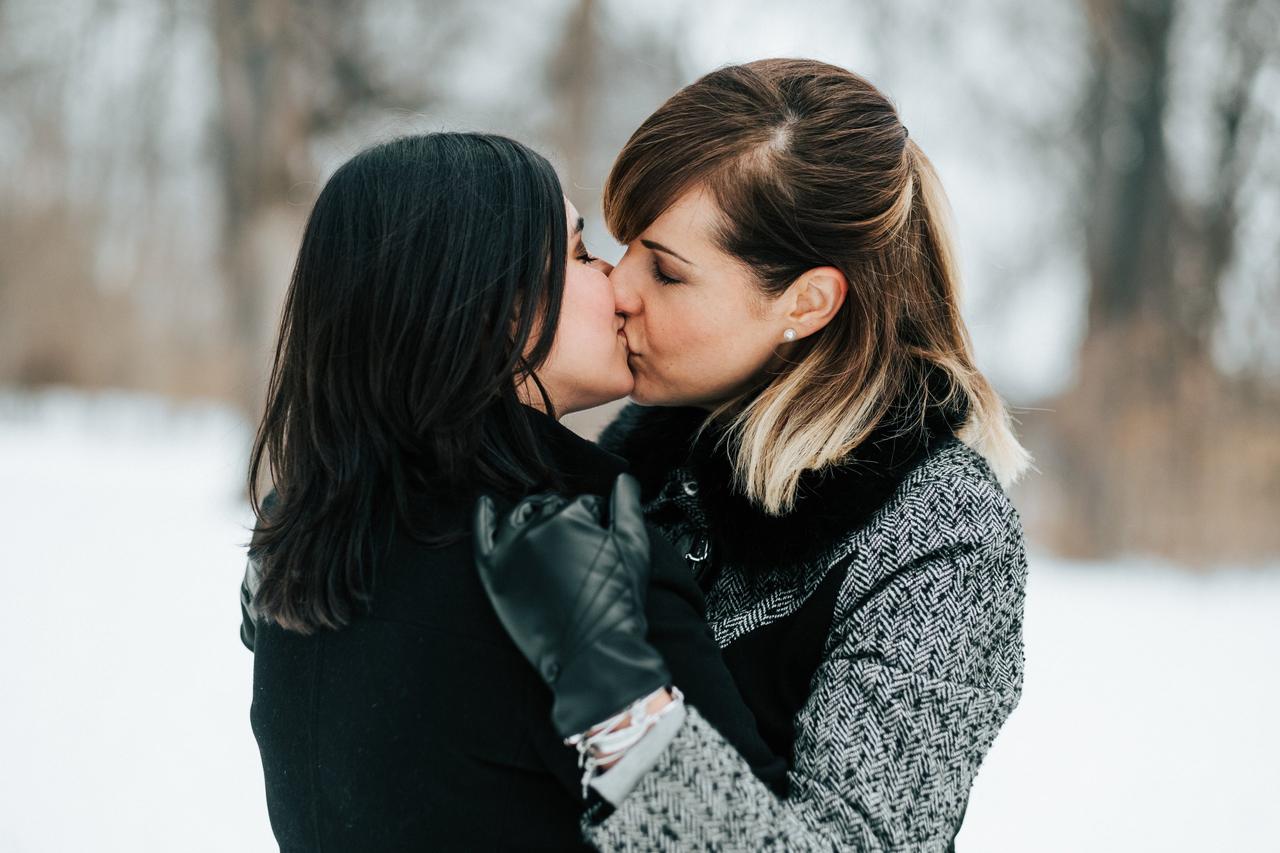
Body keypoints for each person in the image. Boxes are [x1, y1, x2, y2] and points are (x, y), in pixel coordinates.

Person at [474, 59, 1031, 851]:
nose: (616, 285)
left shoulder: (941, 532)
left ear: (806, 301)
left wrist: (624, 709)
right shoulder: (650, 460)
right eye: (624, 244)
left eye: (667, 270)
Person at [238, 132, 786, 852]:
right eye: (582, 253)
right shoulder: (578, 552)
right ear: (498, 306)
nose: (619, 284)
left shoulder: (301, 541)